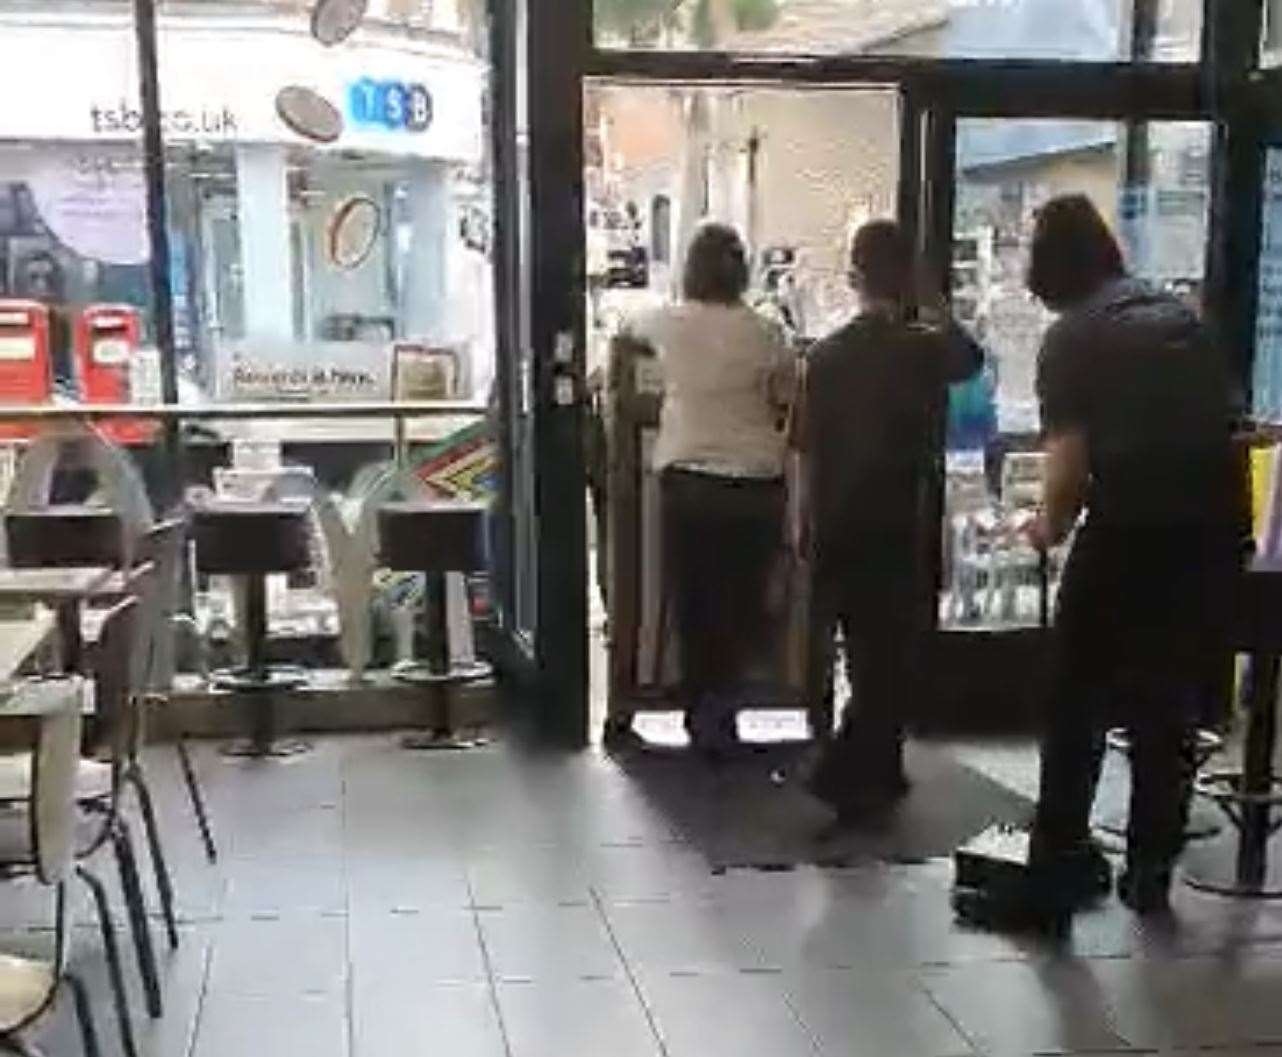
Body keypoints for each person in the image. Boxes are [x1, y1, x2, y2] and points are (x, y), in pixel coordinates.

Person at [1014, 196, 1247, 920]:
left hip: (1128, 529)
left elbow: (1069, 467)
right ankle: (1150, 866)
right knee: (1165, 703)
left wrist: (1044, 525)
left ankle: (1058, 848)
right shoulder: (1180, 319)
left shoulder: (1073, 337)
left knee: (1074, 693)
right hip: (1208, 534)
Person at [798, 219, 984, 817]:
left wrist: (802, 525)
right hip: (901, 518)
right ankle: (851, 766)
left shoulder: (825, 357)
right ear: (907, 276)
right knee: (893, 655)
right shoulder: (925, 350)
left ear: (854, 278)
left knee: (864, 651)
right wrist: (930, 298)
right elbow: (971, 357)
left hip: (838, 518)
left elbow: (805, 446)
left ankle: (874, 765)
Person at [615, 222, 793, 756]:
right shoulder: (766, 331)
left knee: (694, 603)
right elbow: (785, 398)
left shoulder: (666, 322)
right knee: (743, 602)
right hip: (758, 482)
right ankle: (729, 707)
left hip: (690, 480)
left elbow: (625, 331)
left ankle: (699, 711)